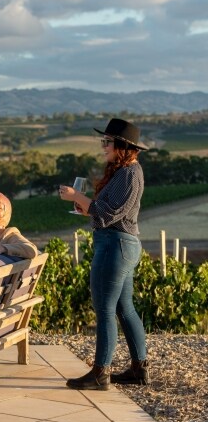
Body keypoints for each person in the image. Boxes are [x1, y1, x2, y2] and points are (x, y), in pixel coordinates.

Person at [59, 118, 149, 391]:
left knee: (105, 309)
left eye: (107, 142)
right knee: (124, 308)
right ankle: (138, 369)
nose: (103, 146)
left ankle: (100, 372)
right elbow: (104, 210)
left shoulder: (129, 174)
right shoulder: (125, 172)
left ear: (123, 145)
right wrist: (86, 206)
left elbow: (107, 214)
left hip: (114, 246)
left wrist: (78, 196)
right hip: (121, 244)